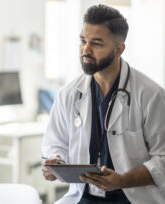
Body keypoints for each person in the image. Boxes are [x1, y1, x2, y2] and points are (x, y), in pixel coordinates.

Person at [41, 4, 165, 204]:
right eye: (83, 40)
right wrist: (54, 163)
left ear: (119, 50)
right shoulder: (69, 94)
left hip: (133, 198)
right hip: (83, 197)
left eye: (96, 43)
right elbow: (55, 143)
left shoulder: (151, 95)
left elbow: (163, 159)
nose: (85, 50)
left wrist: (122, 181)